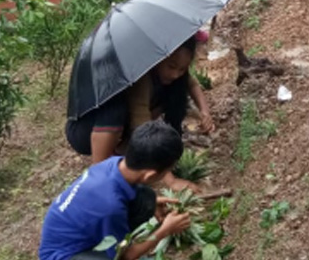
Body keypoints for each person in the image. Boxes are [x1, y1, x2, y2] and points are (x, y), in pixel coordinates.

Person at [39, 119, 193, 260]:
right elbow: (125, 257)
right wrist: (165, 230)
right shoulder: (110, 206)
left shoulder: (115, 163)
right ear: (150, 175)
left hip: (80, 230)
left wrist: (153, 202)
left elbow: (123, 196)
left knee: (146, 198)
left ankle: (107, 252)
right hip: (62, 258)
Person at [64, 35, 211, 190]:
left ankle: (120, 153)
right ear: (159, 58)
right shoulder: (141, 78)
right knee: (115, 109)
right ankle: (99, 177)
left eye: (182, 69)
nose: (175, 74)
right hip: (84, 131)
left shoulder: (171, 75)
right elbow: (142, 127)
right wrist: (170, 181)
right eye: (171, 66)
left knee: (173, 93)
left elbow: (191, 84)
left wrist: (205, 112)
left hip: (120, 128)